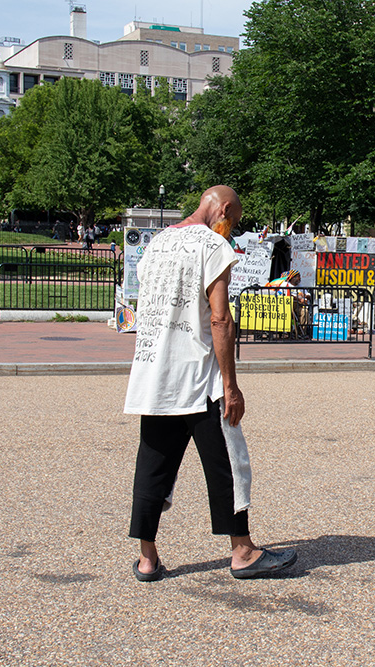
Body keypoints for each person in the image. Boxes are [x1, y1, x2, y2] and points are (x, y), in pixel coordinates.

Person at [124, 185, 297, 582]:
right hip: (199, 375)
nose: (232, 230)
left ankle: (147, 558)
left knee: (152, 463)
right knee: (227, 463)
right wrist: (231, 386)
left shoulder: (158, 243)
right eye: (233, 221)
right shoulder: (212, 245)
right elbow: (220, 319)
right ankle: (242, 551)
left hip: (154, 371)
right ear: (223, 208)